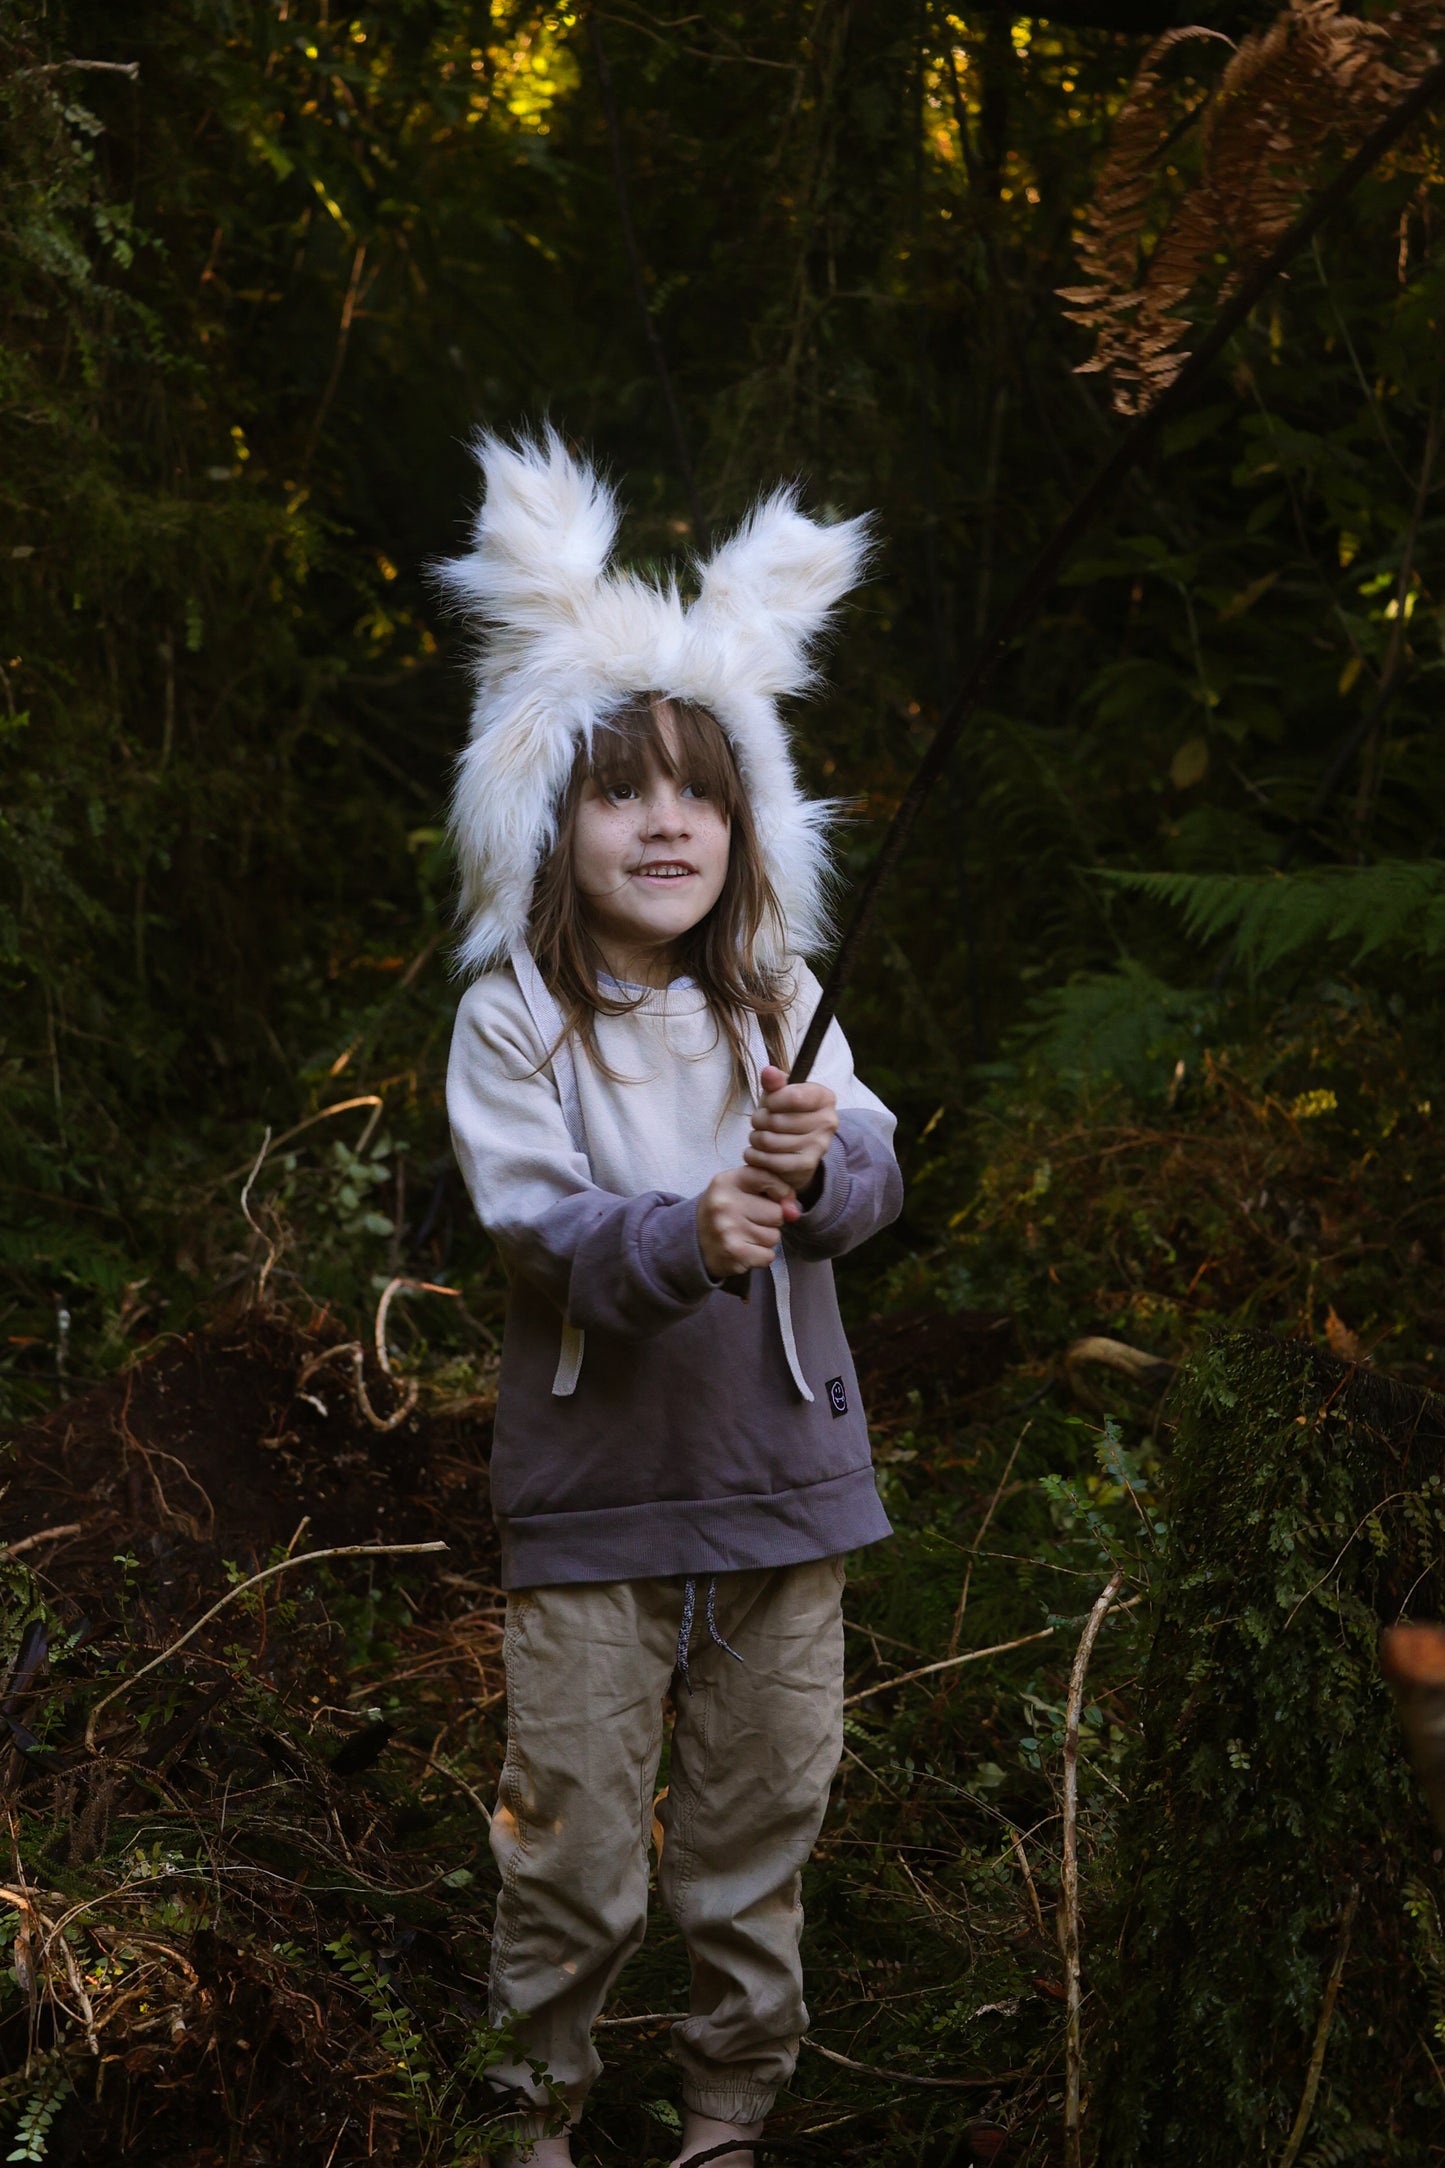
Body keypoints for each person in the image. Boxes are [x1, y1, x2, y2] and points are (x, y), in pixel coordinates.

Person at [442, 431, 902, 2168]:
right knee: (569, 1840)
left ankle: (727, 2109)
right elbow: (540, 1225)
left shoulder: (776, 993)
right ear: (543, 822)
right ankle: (533, 2111)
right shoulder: (515, 1025)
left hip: (784, 1491)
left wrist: (818, 1161)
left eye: (700, 795)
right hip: (596, 1508)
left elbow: (863, 1183)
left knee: (760, 1821)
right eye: (618, 790)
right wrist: (682, 1234)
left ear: (748, 829)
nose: (663, 823)